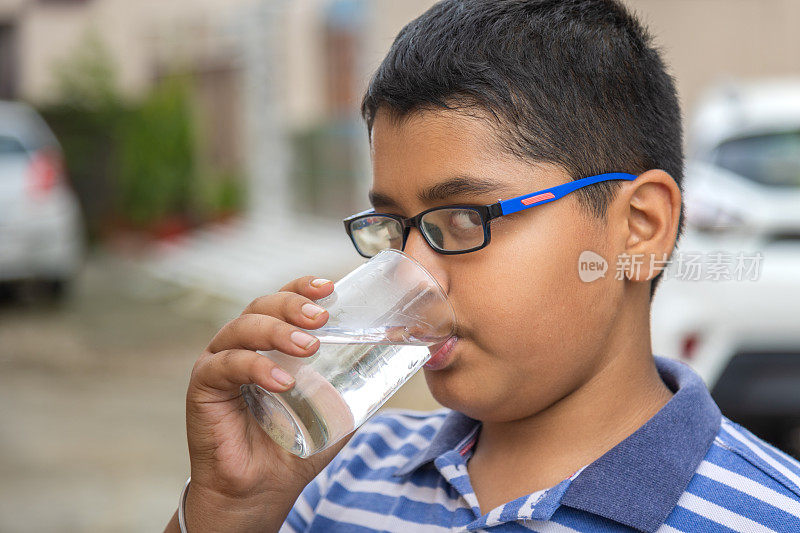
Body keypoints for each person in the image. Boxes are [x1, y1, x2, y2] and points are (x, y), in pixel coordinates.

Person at [164, 1, 800, 531]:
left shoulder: (768, 516)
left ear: (639, 228)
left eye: (465, 218)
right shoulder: (335, 479)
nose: (415, 273)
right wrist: (232, 509)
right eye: (395, 228)